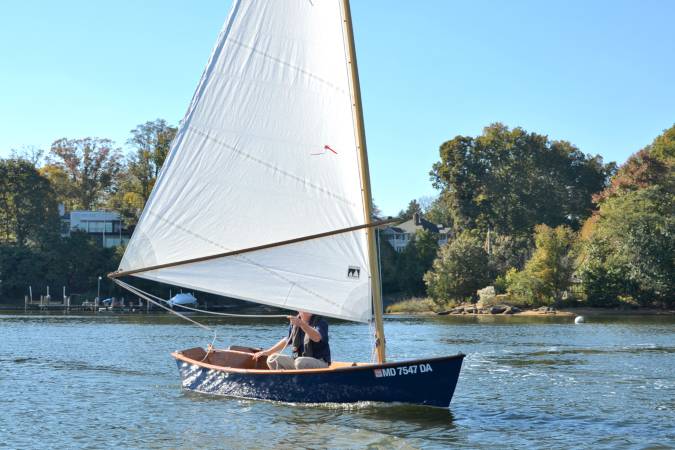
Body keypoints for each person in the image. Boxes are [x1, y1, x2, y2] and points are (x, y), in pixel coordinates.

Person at [253, 311, 331, 370]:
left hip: (320, 362)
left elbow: (317, 338)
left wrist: (302, 324)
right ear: (299, 310)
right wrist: (268, 352)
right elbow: (288, 340)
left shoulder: (321, 322)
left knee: (300, 362)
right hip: (298, 361)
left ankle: (301, 384)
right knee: (272, 359)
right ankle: (285, 384)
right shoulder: (295, 323)